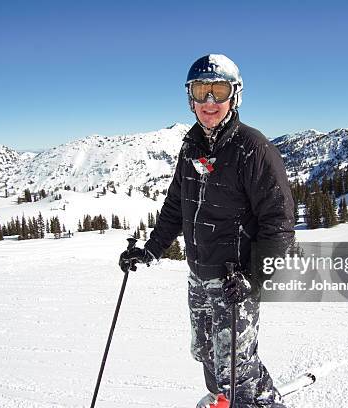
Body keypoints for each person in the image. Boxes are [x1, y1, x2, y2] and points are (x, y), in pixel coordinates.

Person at [119, 54, 295, 408]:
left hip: (235, 282)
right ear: (190, 99)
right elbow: (175, 207)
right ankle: (222, 402)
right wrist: (151, 249)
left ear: (235, 95)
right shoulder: (191, 148)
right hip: (199, 277)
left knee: (237, 368)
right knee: (206, 354)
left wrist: (253, 278)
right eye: (201, 91)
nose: (210, 102)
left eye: (219, 90)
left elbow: (279, 223)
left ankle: (260, 402)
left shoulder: (253, 148)